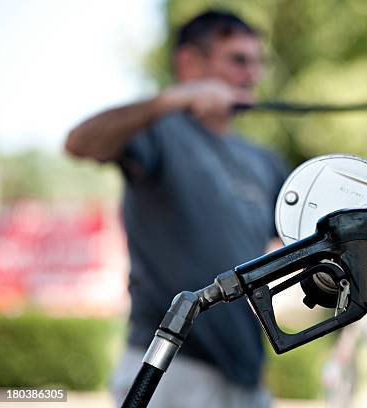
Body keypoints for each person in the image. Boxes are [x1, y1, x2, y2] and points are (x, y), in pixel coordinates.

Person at [65, 10, 288, 408]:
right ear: (189, 63)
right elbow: (80, 143)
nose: (252, 75)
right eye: (237, 60)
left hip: (246, 373)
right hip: (170, 368)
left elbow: (316, 232)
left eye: (257, 62)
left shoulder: (263, 161)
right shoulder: (161, 133)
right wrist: (174, 99)